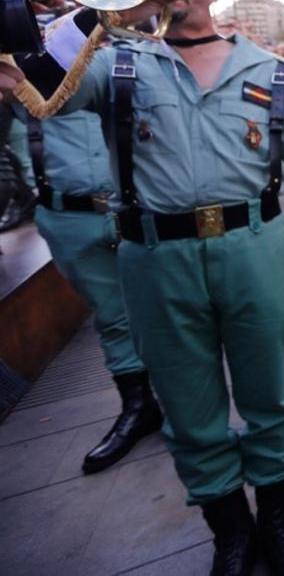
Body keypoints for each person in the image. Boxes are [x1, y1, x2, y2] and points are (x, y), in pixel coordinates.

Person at [4, 0, 284, 576]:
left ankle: (279, 518)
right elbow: (35, 80)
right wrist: (86, 14)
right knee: (189, 408)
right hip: (156, 260)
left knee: (270, 396)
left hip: (255, 248)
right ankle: (229, 531)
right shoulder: (114, 65)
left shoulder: (270, 69)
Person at [31, 107, 165, 473]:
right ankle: (139, 408)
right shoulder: (24, 64)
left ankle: (192, 415)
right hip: (69, 216)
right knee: (111, 317)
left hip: (143, 208)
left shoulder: (128, 54)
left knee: (174, 310)